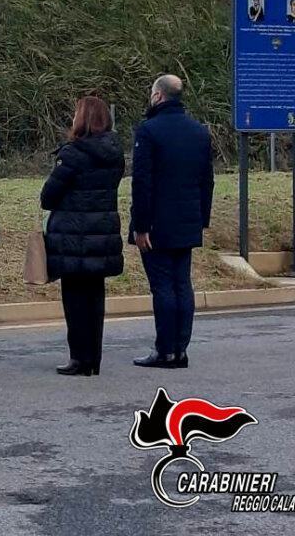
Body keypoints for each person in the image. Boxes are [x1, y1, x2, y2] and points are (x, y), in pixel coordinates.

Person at [130, 74, 214, 369]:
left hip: (157, 224)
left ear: (158, 96)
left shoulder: (149, 131)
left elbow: (142, 182)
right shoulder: (199, 132)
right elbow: (207, 180)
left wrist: (140, 225)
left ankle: (165, 350)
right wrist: (202, 218)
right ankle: (180, 348)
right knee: (183, 285)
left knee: (163, 287)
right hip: (188, 220)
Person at [40, 96, 125, 377]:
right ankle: (94, 358)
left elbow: (49, 195)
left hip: (74, 235)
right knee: (95, 298)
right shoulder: (115, 154)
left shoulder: (73, 154)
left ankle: (78, 357)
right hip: (101, 231)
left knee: (74, 299)